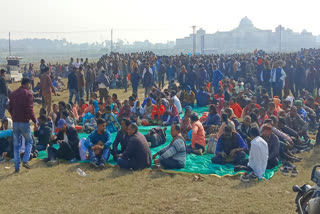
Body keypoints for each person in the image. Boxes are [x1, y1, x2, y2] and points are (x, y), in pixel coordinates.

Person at [8, 78, 38, 172]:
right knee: (29, 141)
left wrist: (13, 115)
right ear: (27, 84)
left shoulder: (13, 93)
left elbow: (9, 107)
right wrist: (35, 121)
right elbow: (30, 109)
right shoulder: (28, 94)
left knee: (16, 145)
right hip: (24, 122)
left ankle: (17, 167)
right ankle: (25, 160)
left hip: (15, 122)